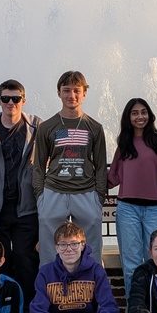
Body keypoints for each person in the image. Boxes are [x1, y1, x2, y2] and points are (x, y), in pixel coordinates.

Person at [0, 80, 42, 309]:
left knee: (26, 258)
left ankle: (27, 309)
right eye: (5, 99)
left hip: (26, 207)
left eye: (15, 98)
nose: (10, 103)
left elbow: (47, 161)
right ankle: (2, 308)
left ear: (23, 101)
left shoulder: (37, 128)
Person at [32, 70, 108, 265]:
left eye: (76, 90)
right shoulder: (47, 127)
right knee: (49, 250)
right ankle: (50, 291)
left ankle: (92, 290)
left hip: (86, 193)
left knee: (91, 250)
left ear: (84, 93)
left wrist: (99, 196)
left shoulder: (95, 127)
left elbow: (100, 165)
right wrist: (41, 197)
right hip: (53, 193)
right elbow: (39, 166)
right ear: (59, 93)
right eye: (66, 90)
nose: (71, 95)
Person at [108, 97, 157, 305]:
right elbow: (113, 176)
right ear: (128, 117)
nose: (139, 117)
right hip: (127, 208)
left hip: (154, 208)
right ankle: (136, 310)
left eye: (143, 112)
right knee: (131, 264)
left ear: (150, 115)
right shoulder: (124, 144)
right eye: (134, 113)